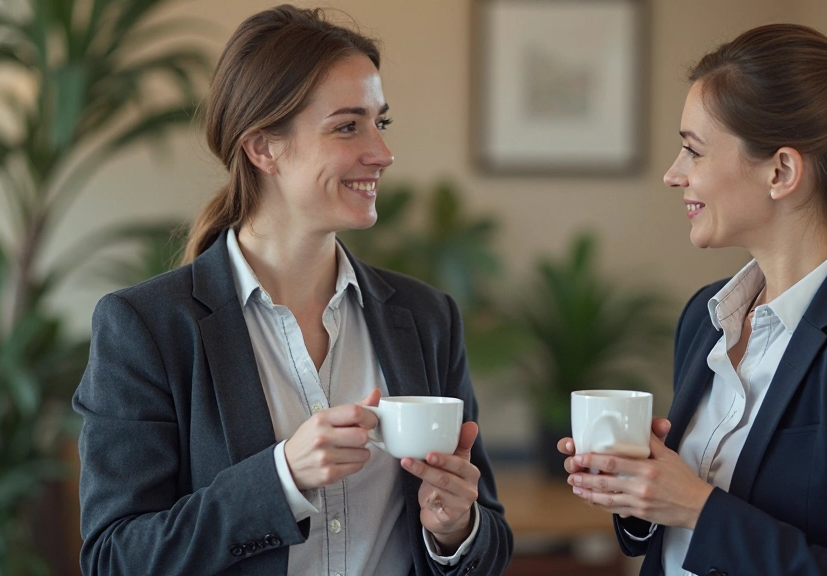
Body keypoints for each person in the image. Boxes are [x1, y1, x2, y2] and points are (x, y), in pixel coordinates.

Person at [73, 5, 512, 575]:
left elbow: (490, 540)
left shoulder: (427, 318)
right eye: (347, 125)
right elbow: (113, 559)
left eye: (381, 122)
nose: (381, 152)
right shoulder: (146, 327)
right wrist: (282, 478)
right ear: (263, 148)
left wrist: (456, 531)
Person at [558, 23, 827, 576]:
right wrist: (641, 492)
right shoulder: (705, 319)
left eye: (693, 151)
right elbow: (673, 539)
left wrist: (701, 510)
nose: (673, 174)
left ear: (780, 171)